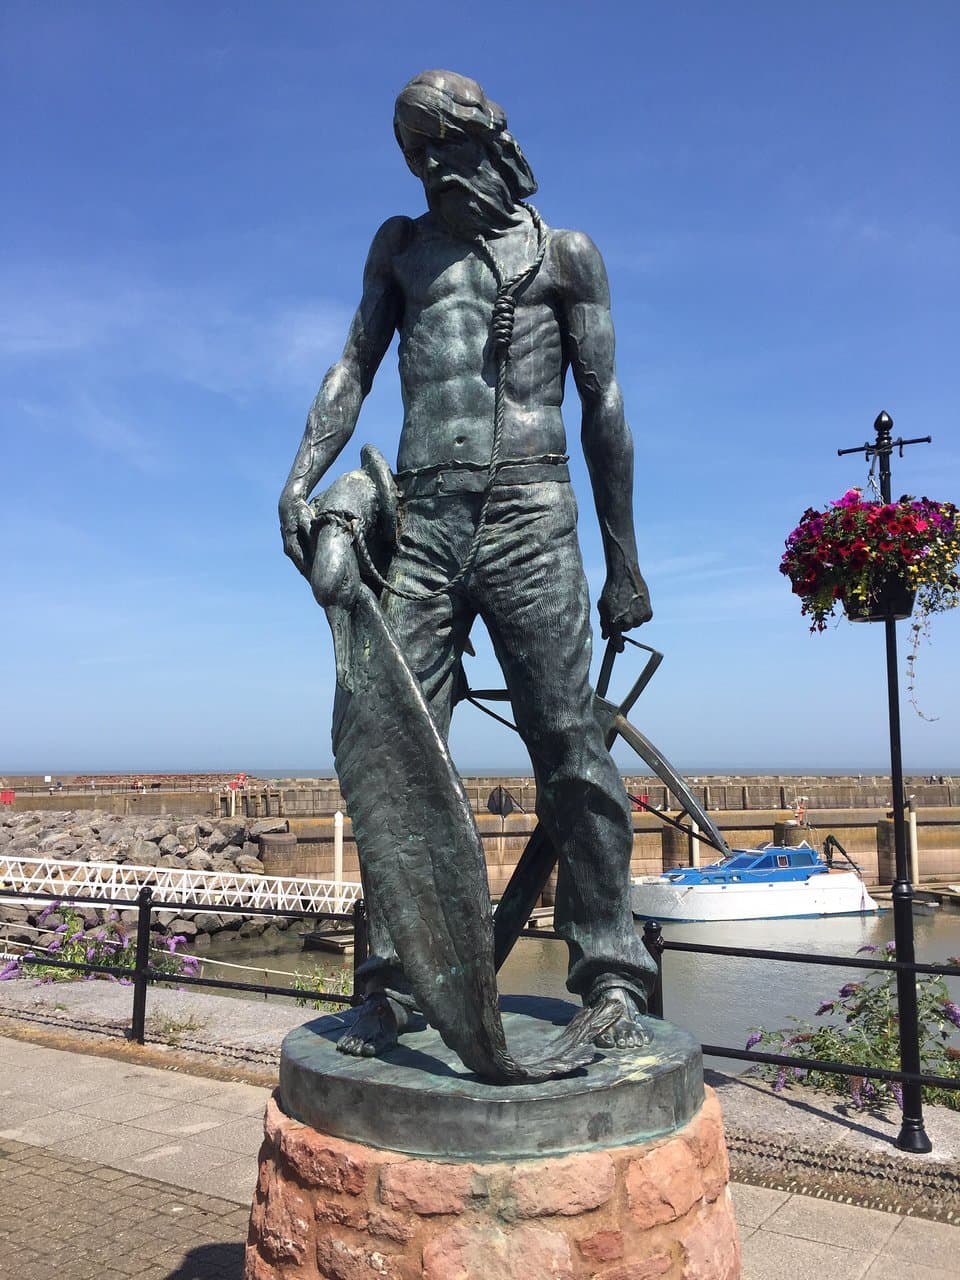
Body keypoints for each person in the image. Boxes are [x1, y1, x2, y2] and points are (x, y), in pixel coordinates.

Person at [280, 69, 656, 1056]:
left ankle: (612, 975)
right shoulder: (400, 249)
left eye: (445, 144)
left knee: (571, 745)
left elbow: (605, 406)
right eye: (416, 152)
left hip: (533, 507)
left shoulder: (566, 255)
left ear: (490, 141)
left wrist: (623, 560)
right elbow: (353, 365)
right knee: (394, 745)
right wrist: (300, 476)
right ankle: (393, 982)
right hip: (421, 516)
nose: (432, 166)